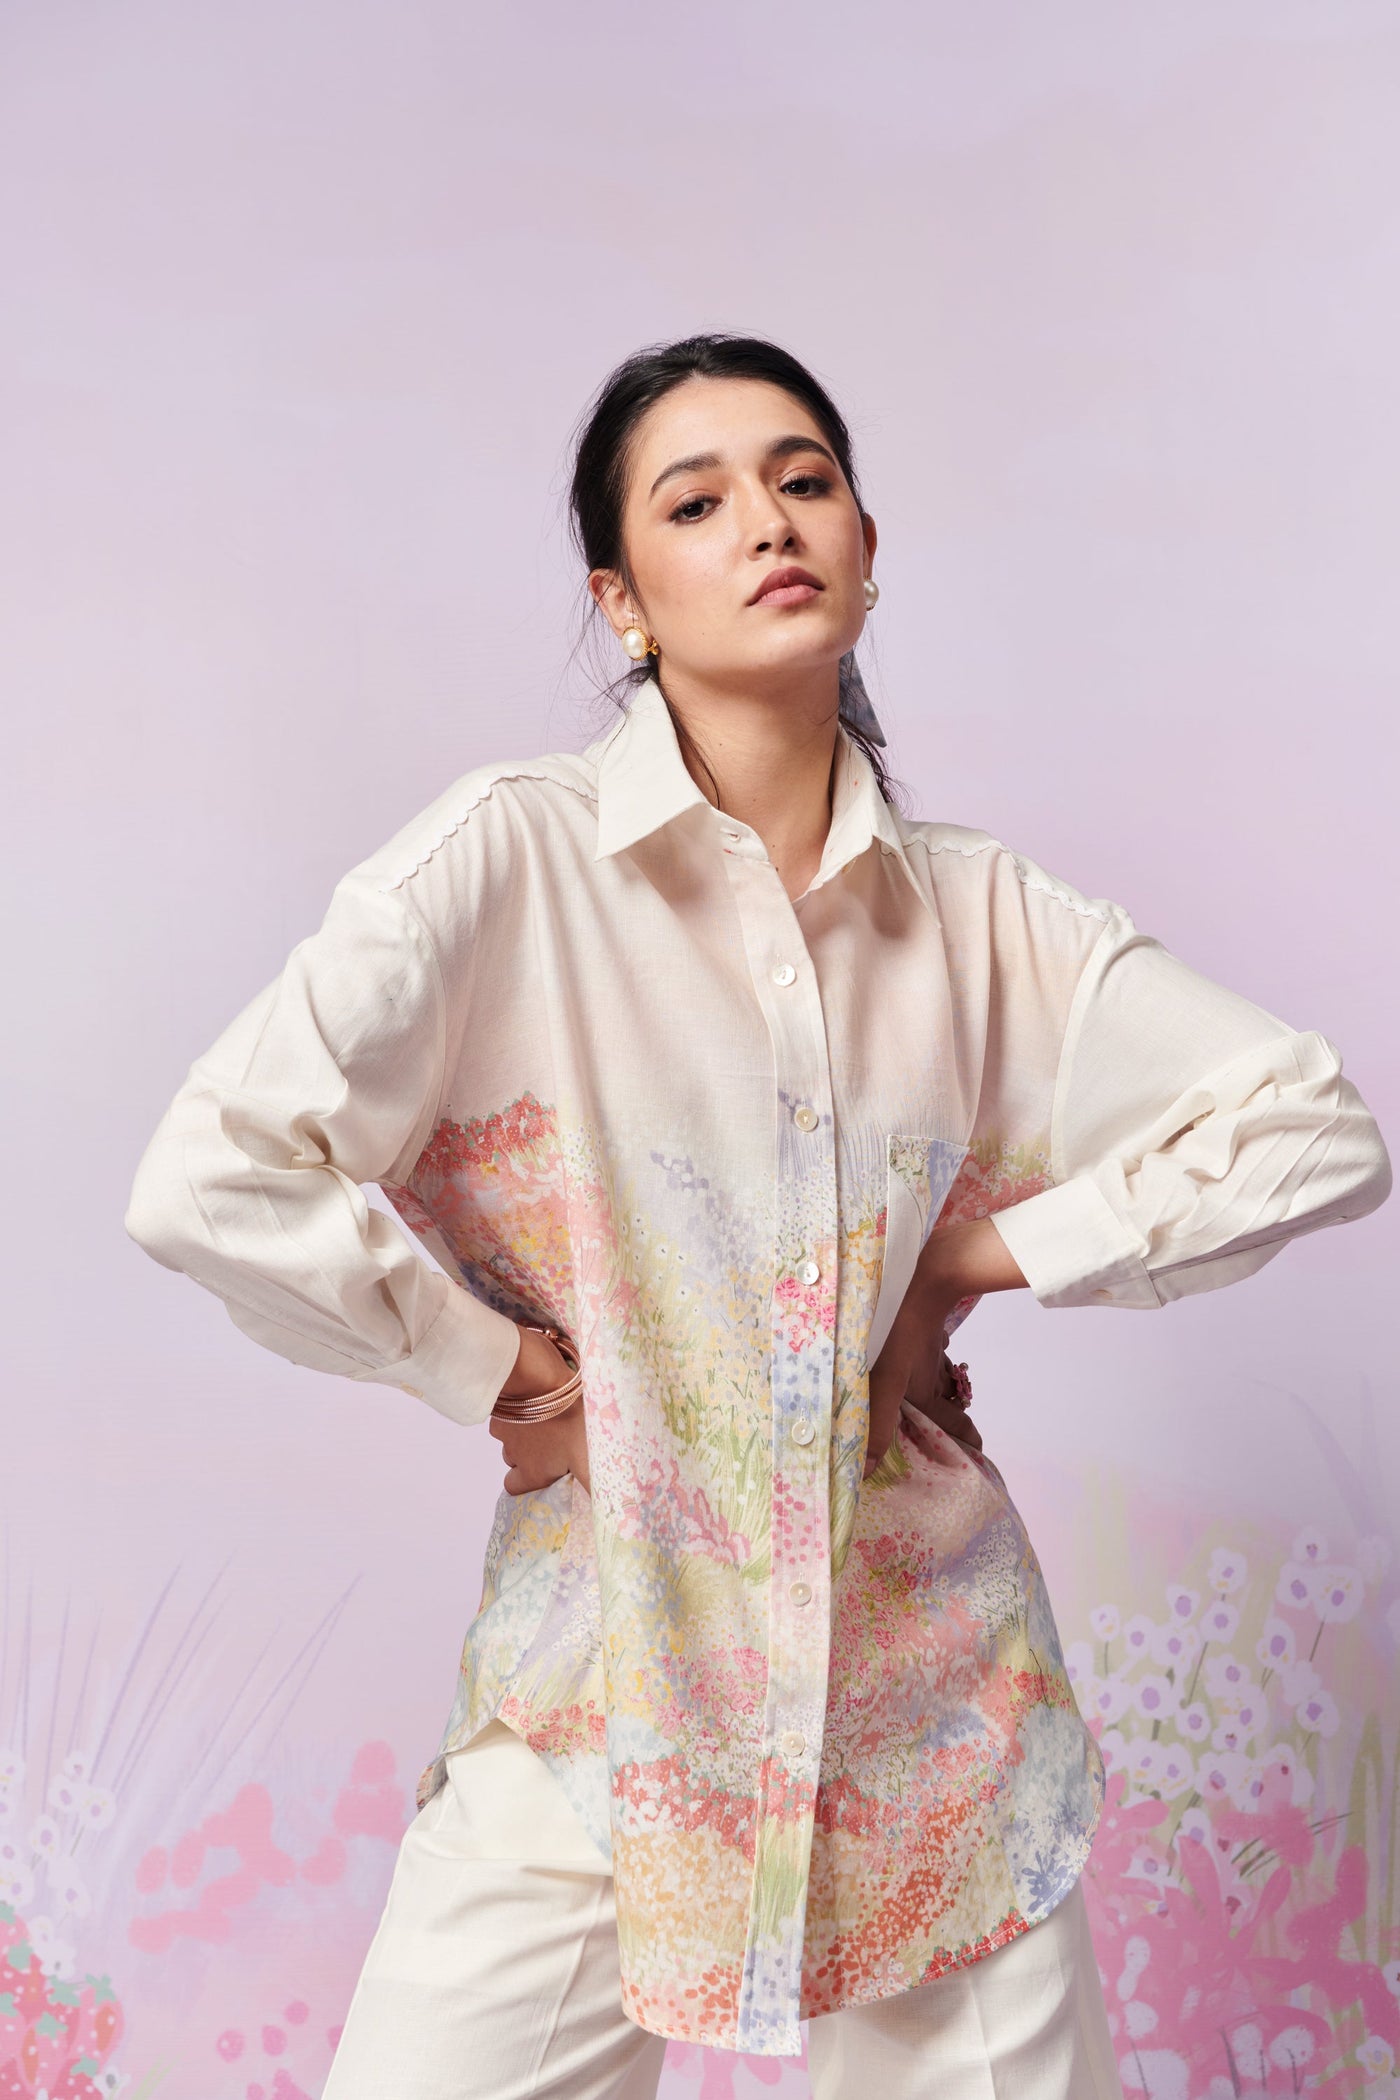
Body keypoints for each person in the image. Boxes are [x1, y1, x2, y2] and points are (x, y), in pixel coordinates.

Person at [125, 333, 1391, 2100]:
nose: (769, 523)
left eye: (805, 481)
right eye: (696, 502)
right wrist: (499, 1371)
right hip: (604, 1698)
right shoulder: (512, 862)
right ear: (622, 601)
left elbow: (1311, 1128)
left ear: (868, 547)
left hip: (931, 1722)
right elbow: (216, 1171)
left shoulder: (981, 920)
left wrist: (967, 1258)